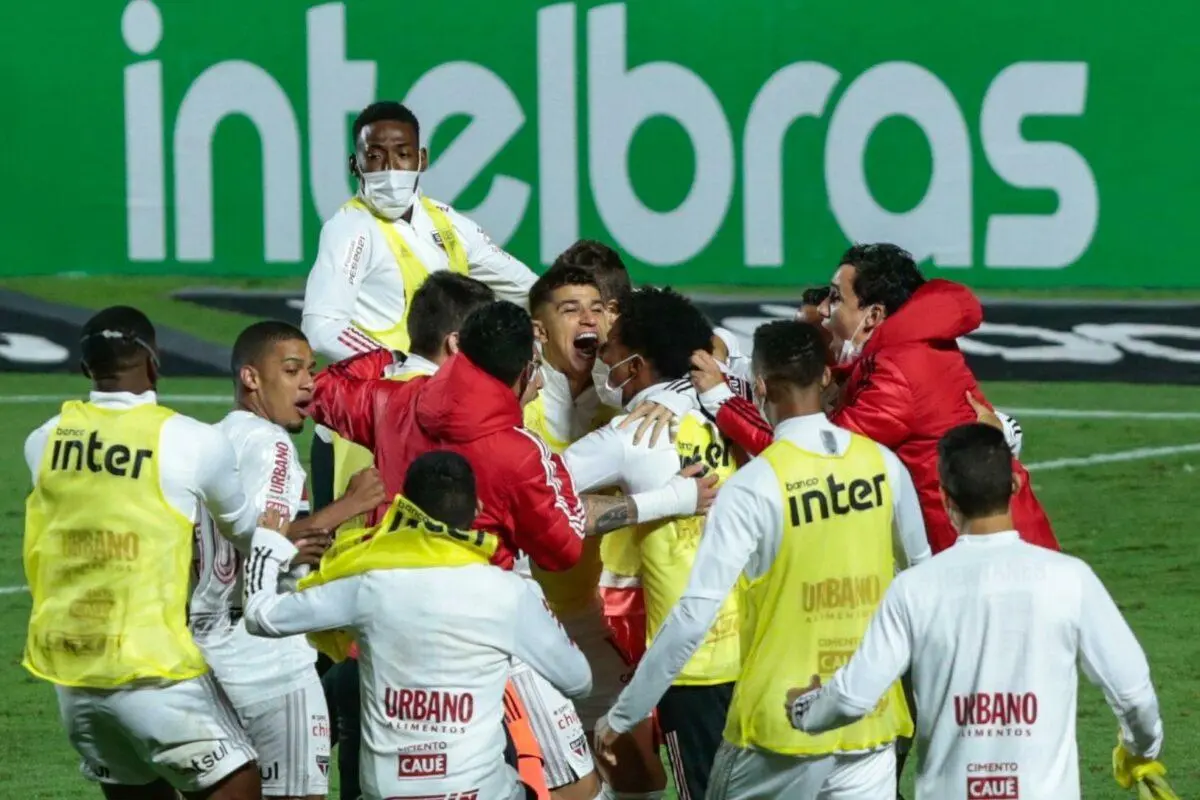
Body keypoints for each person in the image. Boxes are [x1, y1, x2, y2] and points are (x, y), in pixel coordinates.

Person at [598, 319, 931, 800]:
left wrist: (624, 715)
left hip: (779, 725)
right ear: (824, 378)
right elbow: (922, 584)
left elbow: (693, 616)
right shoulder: (882, 464)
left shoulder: (754, 486)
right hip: (869, 720)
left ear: (758, 386)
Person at [790, 423, 1171, 800]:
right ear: (1014, 487)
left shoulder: (914, 588)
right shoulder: (1071, 579)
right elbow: (1134, 695)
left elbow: (852, 696)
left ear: (944, 498)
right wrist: (1141, 751)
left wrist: (804, 708)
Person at [243, 450, 593, 800]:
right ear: (477, 511)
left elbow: (262, 617)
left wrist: (266, 544)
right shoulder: (509, 592)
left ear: (405, 509)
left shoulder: (369, 584)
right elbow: (578, 680)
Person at [667, 245, 1054, 555]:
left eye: (835, 298)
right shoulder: (905, 350)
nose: (823, 310)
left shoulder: (898, 371)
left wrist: (721, 399)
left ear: (873, 316)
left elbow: (811, 455)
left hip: (984, 556)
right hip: (997, 543)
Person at [22, 306, 263, 799]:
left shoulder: (42, 442)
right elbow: (247, 534)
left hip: (72, 676)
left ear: (86, 368)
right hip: (156, 674)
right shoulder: (193, 441)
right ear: (154, 364)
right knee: (240, 781)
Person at [304, 300, 715, 569]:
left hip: (385, 598)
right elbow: (562, 548)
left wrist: (384, 357)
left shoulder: (390, 403)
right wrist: (671, 498)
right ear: (524, 372)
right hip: (480, 625)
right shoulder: (520, 454)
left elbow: (318, 389)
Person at [189, 321, 385, 800]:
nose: (308, 383)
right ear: (251, 378)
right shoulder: (272, 445)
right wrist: (350, 505)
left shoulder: (210, 441)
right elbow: (268, 544)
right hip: (268, 664)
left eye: (311, 371)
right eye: (292, 370)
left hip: (204, 658)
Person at [567, 287, 741, 800]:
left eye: (610, 353)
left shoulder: (632, 433)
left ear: (637, 365)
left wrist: (656, 503)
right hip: (759, 642)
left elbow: (537, 495)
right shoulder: (728, 404)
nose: (603, 362)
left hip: (694, 664)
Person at [521, 264, 667, 798]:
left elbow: (711, 347)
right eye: (571, 310)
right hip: (519, 618)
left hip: (580, 612)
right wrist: (653, 501)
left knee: (637, 771)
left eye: (599, 308)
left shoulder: (621, 402)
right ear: (539, 331)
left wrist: (666, 396)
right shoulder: (517, 401)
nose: (591, 319)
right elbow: (539, 508)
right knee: (554, 782)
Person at [300, 100, 537, 360]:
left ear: (422, 159)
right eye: (375, 156)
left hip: (452, 390)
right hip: (392, 393)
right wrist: (395, 364)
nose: (390, 168)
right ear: (355, 165)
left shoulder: (449, 222)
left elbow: (529, 291)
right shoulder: (351, 229)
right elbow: (322, 326)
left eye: (402, 154)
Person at [328, 271, 497, 534]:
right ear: (456, 343)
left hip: (347, 558)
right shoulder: (445, 409)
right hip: (408, 559)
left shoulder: (355, 392)